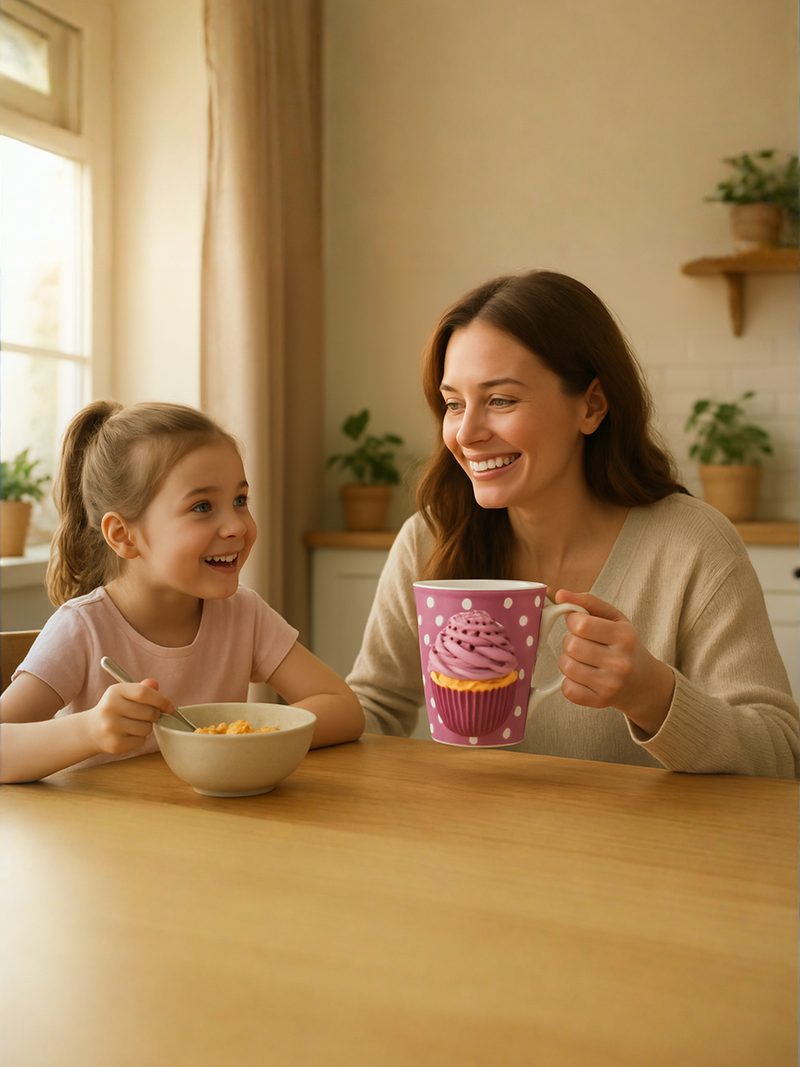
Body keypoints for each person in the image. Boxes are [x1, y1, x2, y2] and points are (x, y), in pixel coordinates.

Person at [347, 270, 798, 778]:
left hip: (639, 855)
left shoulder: (692, 547)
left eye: (500, 400)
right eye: (454, 404)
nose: (466, 433)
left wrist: (653, 695)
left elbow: (780, 756)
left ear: (591, 405)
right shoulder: (430, 538)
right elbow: (375, 707)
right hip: (470, 849)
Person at [1, 400, 364, 784]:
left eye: (240, 500)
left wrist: (233, 739)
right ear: (123, 536)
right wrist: (90, 730)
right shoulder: (81, 629)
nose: (236, 526)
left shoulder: (244, 614)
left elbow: (344, 710)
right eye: (203, 506)